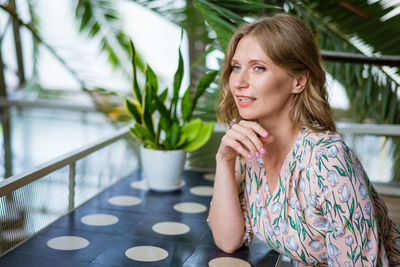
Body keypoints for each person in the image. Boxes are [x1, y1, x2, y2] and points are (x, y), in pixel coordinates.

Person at [208, 13, 400, 266]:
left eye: (258, 68)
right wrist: (224, 160)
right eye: (236, 67)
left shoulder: (328, 160)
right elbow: (228, 240)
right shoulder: (249, 148)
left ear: (298, 81)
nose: (239, 82)